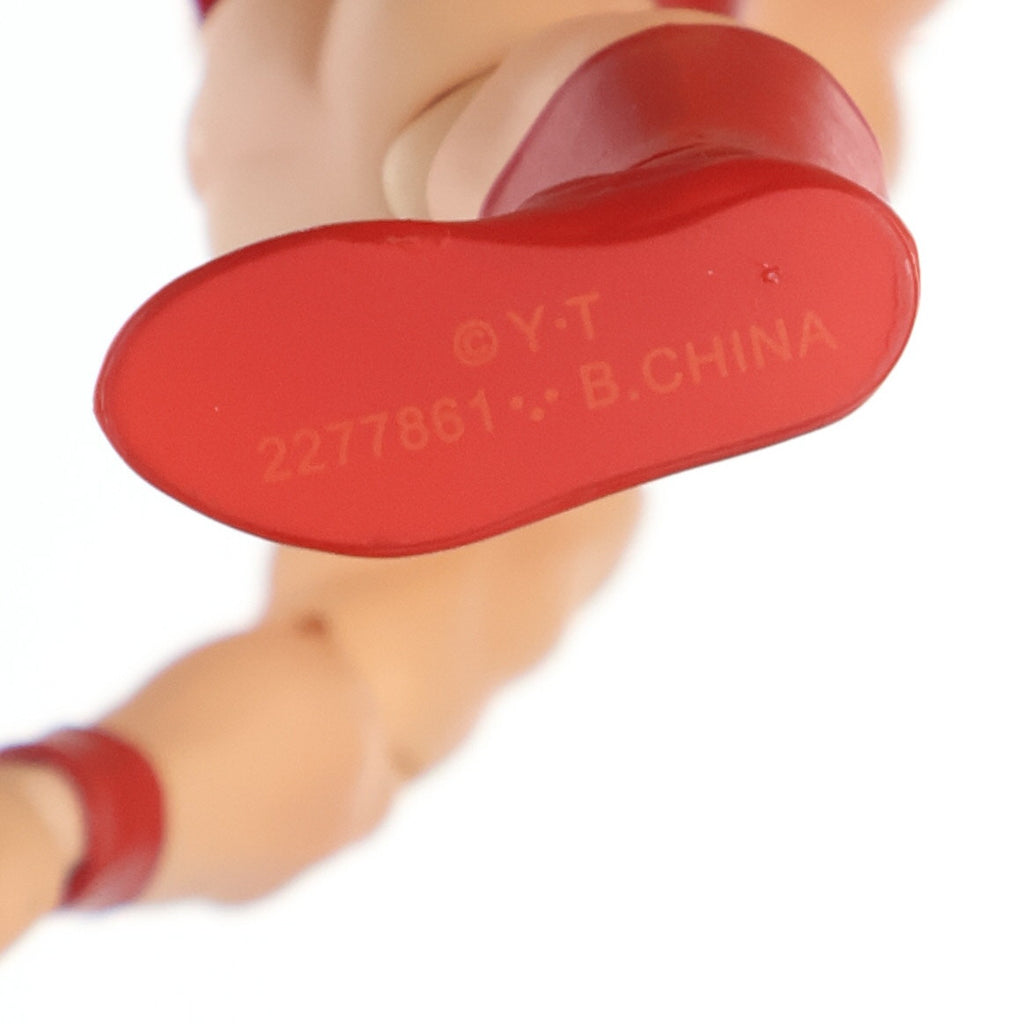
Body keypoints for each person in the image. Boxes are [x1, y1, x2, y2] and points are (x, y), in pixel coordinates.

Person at [0, 0, 938, 955]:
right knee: (393, 637)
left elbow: (360, 694)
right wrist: (52, 818)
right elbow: (359, 696)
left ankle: (670, 150)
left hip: (329, 178)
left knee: (395, 624)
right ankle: (665, 149)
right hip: (342, 196)